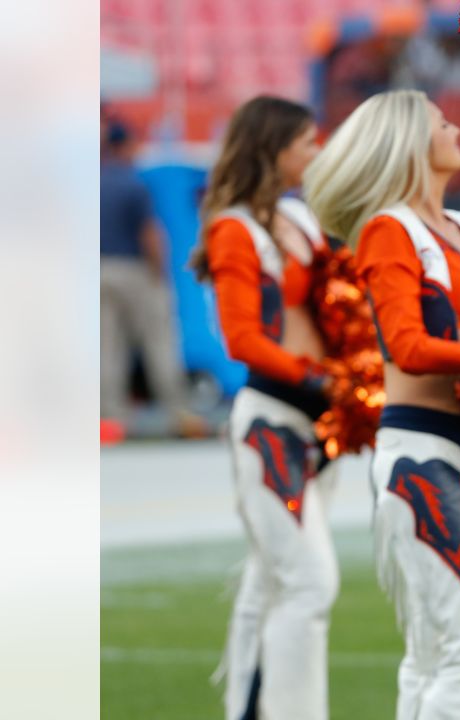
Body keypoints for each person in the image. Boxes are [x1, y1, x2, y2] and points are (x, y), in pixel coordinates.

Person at [304, 90, 460, 720]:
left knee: (431, 659)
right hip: (422, 461)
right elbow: (408, 347)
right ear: (407, 143)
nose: (456, 126)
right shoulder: (388, 230)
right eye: (440, 122)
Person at [191, 97, 336, 720]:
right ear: (273, 146)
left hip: (321, 423)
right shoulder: (233, 228)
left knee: (271, 579)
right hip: (272, 421)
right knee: (306, 581)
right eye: (307, 141)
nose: (317, 151)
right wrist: (322, 378)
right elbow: (242, 340)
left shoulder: (301, 217)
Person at [100, 120, 206, 438]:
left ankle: (110, 418)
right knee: (159, 341)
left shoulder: (95, 181)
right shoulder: (134, 183)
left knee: (108, 347)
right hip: (134, 269)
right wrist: (160, 274)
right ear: (124, 146)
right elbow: (150, 233)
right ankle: (178, 413)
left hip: (99, 269)